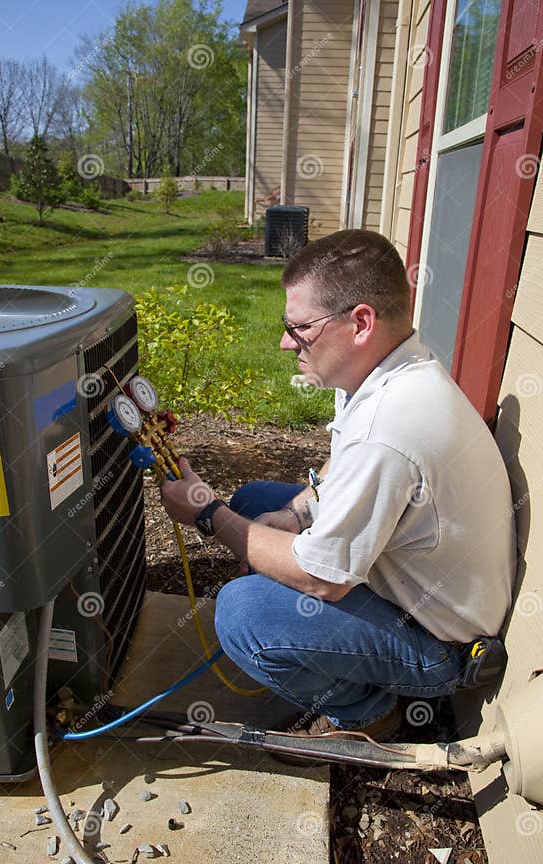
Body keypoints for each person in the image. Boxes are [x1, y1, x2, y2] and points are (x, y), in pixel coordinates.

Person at [160, 228, 516, 739]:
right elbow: (338, 465)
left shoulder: (388, 428)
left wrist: (206, 514)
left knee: (242, 613)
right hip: (409, 584)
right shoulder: (385, 372)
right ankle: (332, 660)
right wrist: (294, 515)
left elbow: (324, 579)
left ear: (360, 323)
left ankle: (368, 714)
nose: (286, 341)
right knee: (258, 502)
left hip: (442, 647)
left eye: (299, 326)